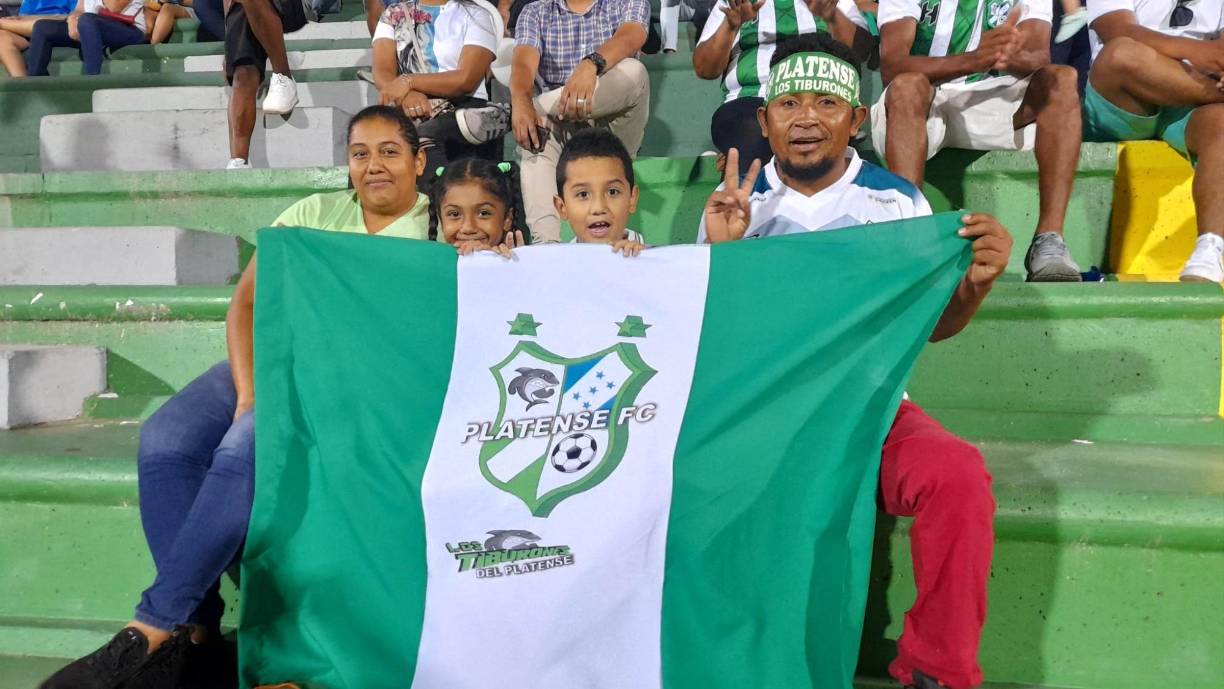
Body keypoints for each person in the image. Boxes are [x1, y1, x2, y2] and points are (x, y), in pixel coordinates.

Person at [37, 105, 430, 689]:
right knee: (165, 438)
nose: (374, 166)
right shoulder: (310, 215)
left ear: (419, 161)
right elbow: (245, 305)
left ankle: (151, 628)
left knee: (242, 449)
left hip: (345, 384)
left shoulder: (436, 229)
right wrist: (248, 391)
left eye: (390, 152)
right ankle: (198, 630)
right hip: (272, 364)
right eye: (360, 153)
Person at [702, 34, 1005, 689]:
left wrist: (976, 283)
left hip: (871, 412)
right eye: (788, 103)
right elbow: (716, 342)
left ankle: (937, 666)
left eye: (825, 102)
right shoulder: (735, 206)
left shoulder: (897, 204)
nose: (805, 117)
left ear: (857, 119)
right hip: (768, 420)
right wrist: (723, 255)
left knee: (957, 475)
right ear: (764, 119)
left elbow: (931, 327)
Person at [873, 0, 1084, 282]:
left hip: (989, 101)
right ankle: (908, 237)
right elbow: (893, 65)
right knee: (907, 86)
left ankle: (1049, 242)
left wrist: (1008, 55)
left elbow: (1037, 57)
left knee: (1062, 79)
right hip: (920, 104)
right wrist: (974, 59)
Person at [1083, 0, 1224, 282]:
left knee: (1221, 124)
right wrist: (1196, 51)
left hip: (1191, 97)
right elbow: (1118, 31)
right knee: (1121, 55)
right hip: (1125, 95)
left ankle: (1211, 248)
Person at [509, 0, 651, 243]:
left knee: (635, 72)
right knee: (533, 131)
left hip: (612, 129)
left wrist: (590, 65)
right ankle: (547, 249)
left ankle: (511, 113)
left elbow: (630, 37)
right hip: (558, 128)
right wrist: (521, 101)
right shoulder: (536, 10)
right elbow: (523, 63)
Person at [693, 0, 870, 178]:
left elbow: (861, 51)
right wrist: (730, 26)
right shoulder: (735, 2)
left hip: (819, 97)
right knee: (753, 128)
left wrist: (831, 15)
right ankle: (744, 196)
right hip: (750, 102)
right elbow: (705, 69)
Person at [372, 0, 511, 174]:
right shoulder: (392, 15)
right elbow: (382, 71)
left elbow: (465, 80)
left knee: (424, 137)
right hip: (408, 107)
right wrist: (408, 96)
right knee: (371, 141)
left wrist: (409, 82)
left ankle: (437, 196)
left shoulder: (476, 15)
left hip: (462, 108)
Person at [224, 0, 309, 169]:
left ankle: (283, 74)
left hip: (298, 5)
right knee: (243, 71)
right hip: (247, 10)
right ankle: (238, 162)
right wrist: (229, 45)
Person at [555, 127, 647, 255]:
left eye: (612, 192)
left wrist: (639, 266)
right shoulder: (557, 268)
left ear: (632, 198)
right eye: (583, 194)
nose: (598, 208)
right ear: (562, 207)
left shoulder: (655, 265)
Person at [430, 157, 529, 254]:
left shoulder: (514, 262)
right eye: (455, 214)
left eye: (483, 213)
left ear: (507, 219)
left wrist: (514, 266)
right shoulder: (431, 265)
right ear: (440, 219)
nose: (468, 228)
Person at [25, 0, 148, 76]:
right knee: (42, 27)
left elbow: (114, 6)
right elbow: (79, 10)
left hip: (130, 31)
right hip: (90, 28)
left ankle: (93, 79)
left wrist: (82, 21)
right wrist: (72, 20)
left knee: (86, 20)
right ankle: (37, 81)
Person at [0, 0, 75, 76]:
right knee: (1, 36)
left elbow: (74, 17)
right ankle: (22, 84)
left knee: (40, 26)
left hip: (59, 26)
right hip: (27, 27)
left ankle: (2, 23)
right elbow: (22, 17)